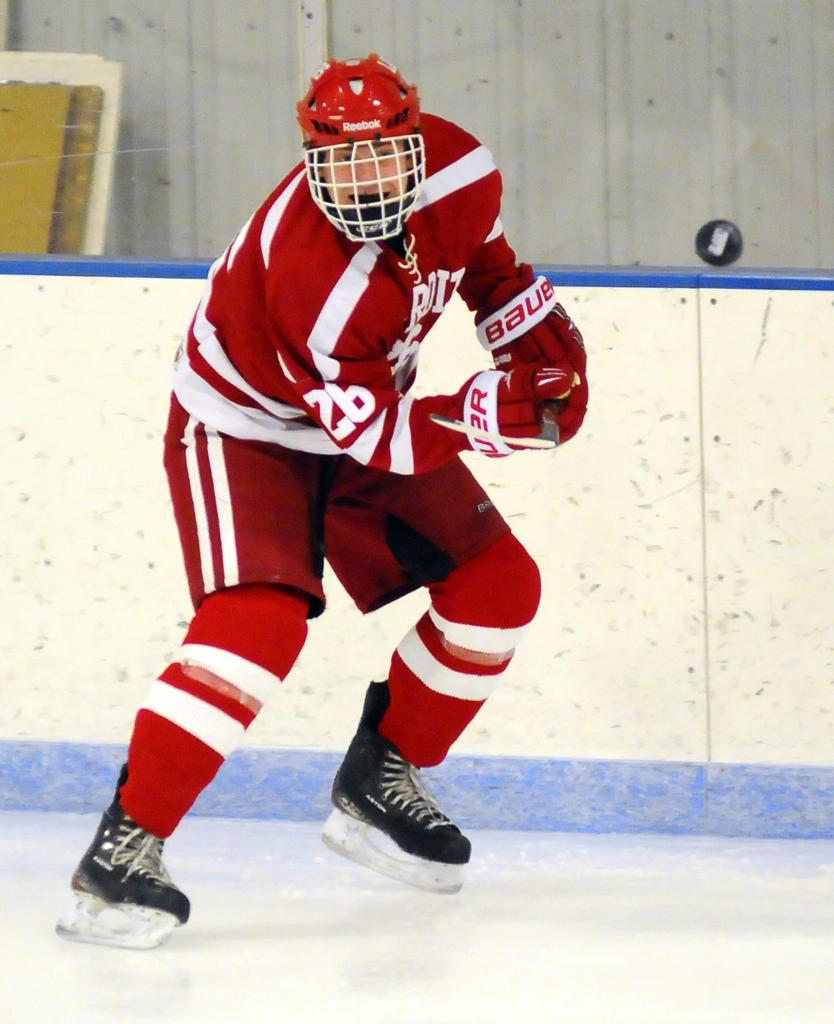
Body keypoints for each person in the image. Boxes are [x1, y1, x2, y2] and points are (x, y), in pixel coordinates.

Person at [56, 53, 588, 948]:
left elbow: (490, 271)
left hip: (365, 409)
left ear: (417, 145)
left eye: (382, 156)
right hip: (244, 427)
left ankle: (383, 778)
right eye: (342, 163)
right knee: (257, 625)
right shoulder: (314, 276)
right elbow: (377, 436)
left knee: (500, 588)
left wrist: (542, 355)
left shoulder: (461, 169)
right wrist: (485, 415)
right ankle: (124, 849)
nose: (366, 182)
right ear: (310, 162)